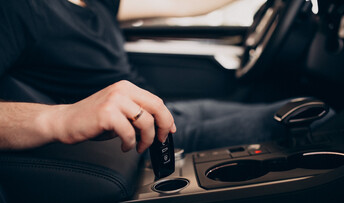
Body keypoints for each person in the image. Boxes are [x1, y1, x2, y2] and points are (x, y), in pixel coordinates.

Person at [0, 0, 312, 154]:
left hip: (168, 113)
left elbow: (186, 4)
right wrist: (62, 118)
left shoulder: (95, 2)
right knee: (312, 120)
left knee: (304, 106)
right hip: (136, 141)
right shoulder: (15, 9)